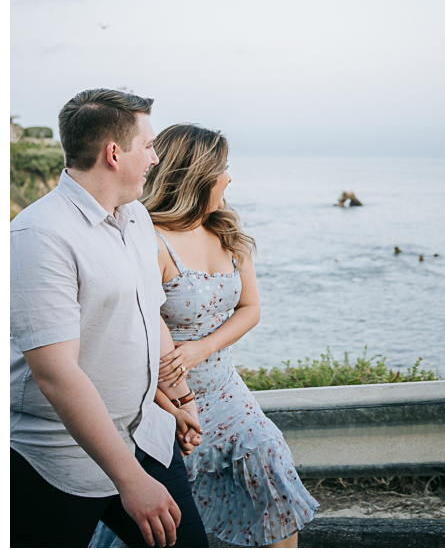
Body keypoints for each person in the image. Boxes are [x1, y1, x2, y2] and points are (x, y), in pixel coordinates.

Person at [91, 124, 318, 549]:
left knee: (271, 468)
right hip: (166, 401)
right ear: (197, 175)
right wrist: (169, 402)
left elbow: (251, 309)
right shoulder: (148, 239)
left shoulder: (228, 230)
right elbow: (129, 334)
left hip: (227, 390)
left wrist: (202, 347)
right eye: (223, 168)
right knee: (169, 517)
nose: (229, 178)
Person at [10, 89, 209, 549]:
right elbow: (56, 374)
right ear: (113, 153)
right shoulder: (38, 236)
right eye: (149, 146)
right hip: (55, 462)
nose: (156, 158)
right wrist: (130, 479)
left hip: (148, 438)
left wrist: (179, 395)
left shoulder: (136, 217)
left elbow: (147, 311)